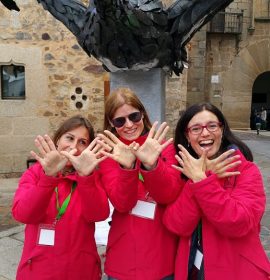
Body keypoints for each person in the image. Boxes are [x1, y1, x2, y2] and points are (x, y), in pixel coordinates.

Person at [162, 102, 270, 280]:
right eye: (196, 128)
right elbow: (176, 224)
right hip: (193, 271)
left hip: (236, 271)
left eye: (212, 126)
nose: (205, 133)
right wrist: (197, 180)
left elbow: (239, 222)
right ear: (187, 136)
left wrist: (203, 182)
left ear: (222, 130)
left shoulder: (246, 170)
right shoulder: (184, 171)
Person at [97, 87, 182, 280]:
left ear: (142, 114)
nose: (129, 125)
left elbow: (167, 195)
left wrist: (151, 165)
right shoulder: (109, 156)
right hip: (124, 255)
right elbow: (122, 203)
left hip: (161, 253)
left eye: (134, 116)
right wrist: (127, 169)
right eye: (120, 120)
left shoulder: (162, 147)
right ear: (111, 123)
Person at [12, 115, 110, 280]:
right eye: (69, 138)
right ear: (58, 140)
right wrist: (48, 178)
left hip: (80, 271)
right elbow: (23, 214)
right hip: (38, 271)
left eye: (82, 142)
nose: (74, 146)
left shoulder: (90, 177)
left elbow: (98, 214)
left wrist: (85, 177)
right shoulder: (36, 173)